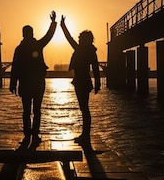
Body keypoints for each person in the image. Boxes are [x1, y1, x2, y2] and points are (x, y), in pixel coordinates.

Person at [10, 11, 57, 144]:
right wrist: (53, 23)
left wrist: (13, 83)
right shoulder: (37, 45)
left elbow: (15, 67)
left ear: (23, 34)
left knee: (26, 110)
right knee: (37, 110)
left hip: (25, 83)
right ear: (31, 33)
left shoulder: (19, 49)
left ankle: (27, 135)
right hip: (37, 83)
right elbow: (49, 36)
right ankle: (35, 135)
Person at [60, 15, 100, 143]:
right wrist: (97, 83)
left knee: (84, 109)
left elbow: (69, 38)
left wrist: (62, 25)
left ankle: (85, 136)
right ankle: (85, 135)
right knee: (84, 108)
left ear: (84, 40)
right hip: (85, 81)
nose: (78, 39)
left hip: (81, 81)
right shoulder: (90, 51)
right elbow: (95, 69)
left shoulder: (81, 49)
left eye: (80, 38)